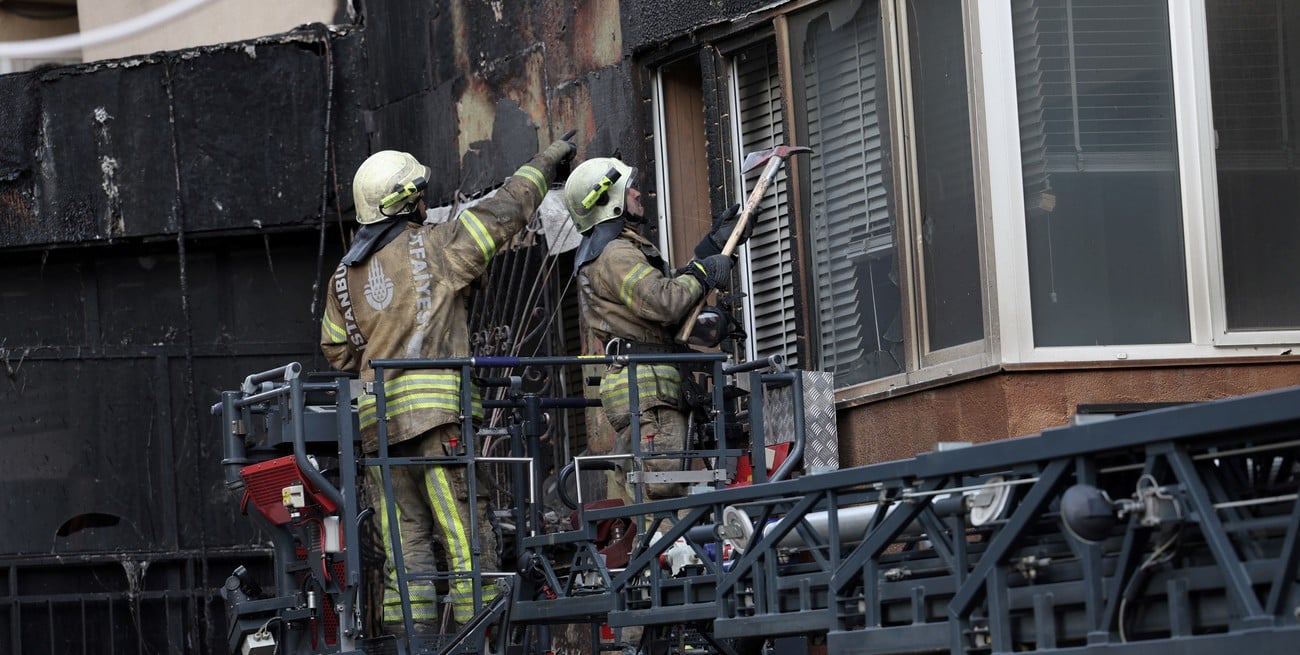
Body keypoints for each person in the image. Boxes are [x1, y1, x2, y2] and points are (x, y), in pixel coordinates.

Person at [320, 137, 575, 636]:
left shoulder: (342, 278)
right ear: (407, 199)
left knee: (405, 552)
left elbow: (338, 351)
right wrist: (547, 161)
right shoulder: (437, 246)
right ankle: (481, 642)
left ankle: (409, 646)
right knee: (467, 541)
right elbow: (504, 214)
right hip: (439, 424)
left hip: (379, 434)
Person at [561, 156, 750, 502]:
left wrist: (711, 248)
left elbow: (662, 289)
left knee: (652, 495)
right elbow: (664, 301)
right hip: (647, 386)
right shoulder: (616, 254)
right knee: (662, 498)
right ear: (608, 199)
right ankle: (665, 556)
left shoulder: (614, 251)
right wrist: (704, 273)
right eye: (628, 187)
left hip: (645, 384)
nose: (637, 193)